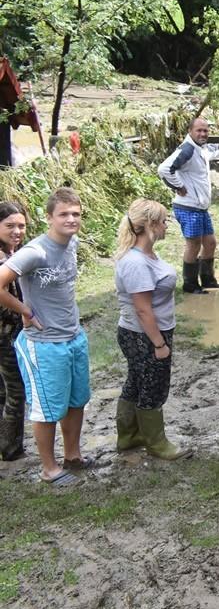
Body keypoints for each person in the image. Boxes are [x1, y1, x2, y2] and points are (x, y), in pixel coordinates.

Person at [0, 187, 90, 486]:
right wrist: (24, 309)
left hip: (73, 336)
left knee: (76, 401)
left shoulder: (72, 243)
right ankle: (49, 468)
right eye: (63, 214)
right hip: (44, 343)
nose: (71, 219)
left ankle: (73, 456)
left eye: (76, 214)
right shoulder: (34, 252)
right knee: (48, 408)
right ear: (49, 217)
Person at [113, 199, 189, 460]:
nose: (167, 225)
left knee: (136, 381)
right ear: (149, 225)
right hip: (144, 335)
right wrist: (159, 344)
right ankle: (156, 443)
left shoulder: (145, 255)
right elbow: (143, 309)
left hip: (144, 333)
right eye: (164, 220)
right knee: (153, 386)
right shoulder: (136, 263)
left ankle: (129, 435)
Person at [157, 117, 219, 294]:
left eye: (205, 130)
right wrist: (178, 185)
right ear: (190, 131)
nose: (203, 133)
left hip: (200, 207)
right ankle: (190, 284)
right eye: (199, 130)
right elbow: (164, 169)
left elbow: (217, 150)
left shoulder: (202, 148)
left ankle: (208, 280)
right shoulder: (188, 149)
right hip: (188, 207)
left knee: (211, 243)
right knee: (194, 245)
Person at [0, 201, 27, 460]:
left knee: (3, 391)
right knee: (17, 391)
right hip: (6, 335)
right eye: (9, 226)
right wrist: (24, 312)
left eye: (21, 225)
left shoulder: (12, 253)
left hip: (8, 333)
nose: (16, 231)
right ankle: (11, 448)